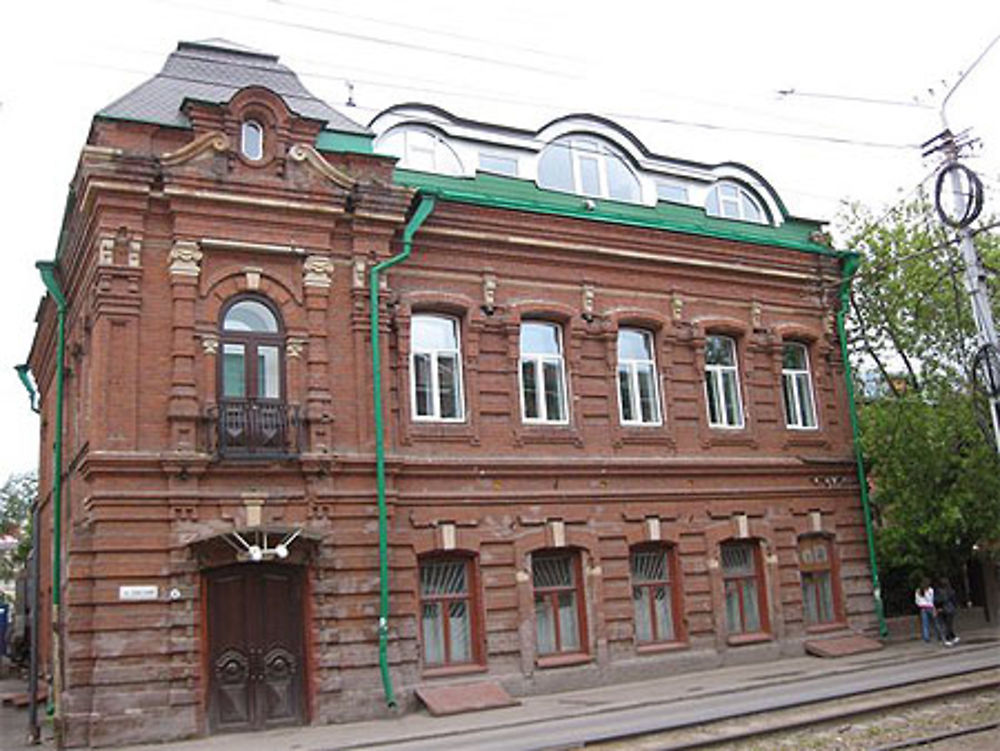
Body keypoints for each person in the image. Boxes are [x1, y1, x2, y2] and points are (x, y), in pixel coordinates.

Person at [914, 578, 942, 643]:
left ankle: (926, 637)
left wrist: (920, 604)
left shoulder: (918, 590)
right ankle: (939, 635)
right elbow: (932, 600)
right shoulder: (930, 590)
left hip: (922, 608)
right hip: (930, 607)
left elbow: (917, 601)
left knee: (925, 624)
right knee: (936, 622)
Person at [934, 577, 960, 646]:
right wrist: (955, 607)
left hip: (942, 609)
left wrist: (938, 608)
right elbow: (954, 600)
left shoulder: (938, 591)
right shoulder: (951, 591)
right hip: (950, 609)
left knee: (944, 625)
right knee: (949, 625)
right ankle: (950, 637)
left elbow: (936, 601)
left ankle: (949, 638)